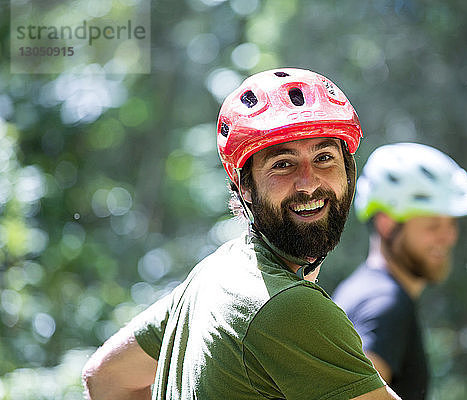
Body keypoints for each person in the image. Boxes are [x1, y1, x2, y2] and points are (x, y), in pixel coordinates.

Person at [82, 68, 402, 400]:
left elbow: (107, 377)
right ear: (244, 185)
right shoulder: (290, 308)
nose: (308, 182)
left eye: (324, 158)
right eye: (282, 164)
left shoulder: (216, 272)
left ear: (348, 172)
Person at [332, 143, 467, 400]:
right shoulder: (386, 304)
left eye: (451, 223)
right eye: (432, 225)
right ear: (387, 224)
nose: (449, 237)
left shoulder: (358, 288)